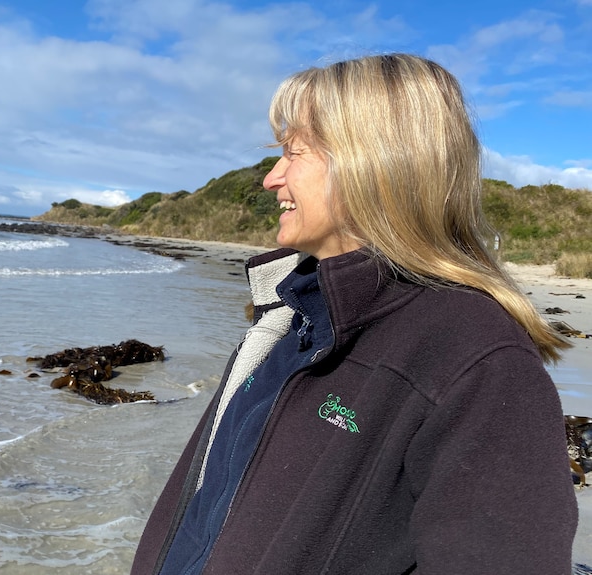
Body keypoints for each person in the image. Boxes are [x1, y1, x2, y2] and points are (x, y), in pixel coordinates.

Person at [131, 53, 578, 575]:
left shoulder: (476, 358)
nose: (271, 179)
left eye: (293, 152)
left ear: (375, 163)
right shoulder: (293, 315)